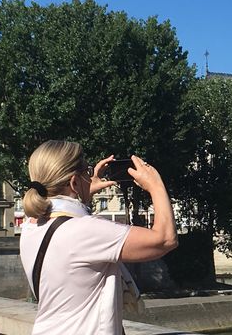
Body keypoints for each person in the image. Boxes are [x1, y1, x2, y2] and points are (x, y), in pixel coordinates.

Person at [19, 140, 177, 335]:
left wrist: (83, 191)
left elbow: (63, 214)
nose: (90, 175)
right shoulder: (85, 231)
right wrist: (156, 185)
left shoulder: (31, 225)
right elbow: (165, 239)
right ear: (74, 182)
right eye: (87, 171)